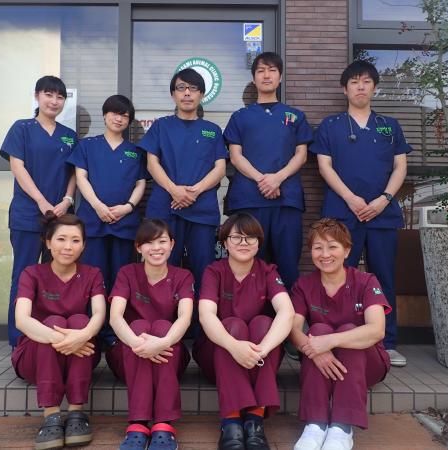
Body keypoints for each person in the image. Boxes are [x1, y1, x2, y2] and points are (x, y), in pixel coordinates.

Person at [309, 60, 412, 367]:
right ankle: (339, 336)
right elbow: (324, 166)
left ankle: (386, 342)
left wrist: (384, 199)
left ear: (375, 87)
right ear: (345, 89)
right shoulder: (330, 126)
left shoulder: (389, 125)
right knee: (336, 277)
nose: (360, 87)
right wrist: (350, 198)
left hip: (382, 214)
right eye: (354, 82)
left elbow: (400, 166)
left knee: (383, 277)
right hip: (342, 214)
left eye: (366, 82)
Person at [194, 213, 295, 450]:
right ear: (225, 242)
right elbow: (206, 315)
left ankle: (254, 421)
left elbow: (287, 312)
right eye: (236, 237)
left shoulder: (268, 271)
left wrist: (262, 350)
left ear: (259, 243)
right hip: (219, 357)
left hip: (258, 358)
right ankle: (231, 422)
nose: (243, 243)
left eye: (250, 237)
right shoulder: (214, 271)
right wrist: (234, 346)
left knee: (263, 323)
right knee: (233, 325)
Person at [290, 218, 391, 450]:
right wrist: (316, 351)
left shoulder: (366, 281)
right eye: (318, 247)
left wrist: (328, 342)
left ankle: (342, 427)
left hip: (366, 365)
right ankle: (315, 424)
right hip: (321, 364)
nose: (325, 254)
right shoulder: (304, 285)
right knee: (316, 330)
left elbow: (377, 329)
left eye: (332, 247)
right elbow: (293, 330)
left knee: (348, 332)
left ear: (346, 250)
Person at [11, 213, 106, 450]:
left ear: (83, 245)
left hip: (80, 351)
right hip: (36, 357)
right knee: (52, 321)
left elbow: (99, 314)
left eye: (75, 240)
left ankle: (76, 414)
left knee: (80, 320)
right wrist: (62, 339)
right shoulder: (31, 273)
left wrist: (81, 336)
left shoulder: (92, 274)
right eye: (61, 239)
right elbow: (21, 320)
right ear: (48, 242)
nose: (68, 246)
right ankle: (51, 415)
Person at [223, 52, 313, 289]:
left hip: (286, 200)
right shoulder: (240, 117)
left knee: (288, 265)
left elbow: (301, 155)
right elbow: (235, 156)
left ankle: (289, 312)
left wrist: (278, 178)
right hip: (249, 200)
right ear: (254, 78)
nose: (266, 75)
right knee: (249, 265)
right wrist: (262, 180)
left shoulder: (295, 116)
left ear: (280, 77)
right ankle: (252, 312)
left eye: (272, 70)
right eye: (261, 71)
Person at [0, 75, 78, 347]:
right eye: (49, 95)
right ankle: (19, 337)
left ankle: (48, 331)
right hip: (28, 214)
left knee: (55, 275)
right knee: (24, 273)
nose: (54, 101)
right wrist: (41, 201)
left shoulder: (69, 136)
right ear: (37, 96)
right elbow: (17, 167)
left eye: (60, 97)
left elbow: (74, 173)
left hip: (60, 218)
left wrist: (67, 200)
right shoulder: (21, 128)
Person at [106, 219, 194, 450]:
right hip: (130, 354)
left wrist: (162, 343)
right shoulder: (127, 273)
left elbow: (185, 317)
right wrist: (139, 344)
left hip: (169, 355)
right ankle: (138, 423)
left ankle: (163, 425)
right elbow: (115, 317)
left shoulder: (183, 276)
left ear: (172, 244)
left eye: (162, 241)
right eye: (149, 242)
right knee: (138, 325)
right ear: (138, 247)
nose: (156, 248)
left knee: (164, 326)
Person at [138, 68, 227, 292]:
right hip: (166, 208)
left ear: (201, 94)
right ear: (173, 94)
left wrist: (195, 191)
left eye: (193, 88)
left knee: (203, 269)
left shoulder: (212, 131)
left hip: (202, 210)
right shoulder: (161, 126)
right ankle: (162, 314)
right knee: (162, 268)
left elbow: (220, 168)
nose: (187, 93)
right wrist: (174, 190)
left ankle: (201, 315)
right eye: (181, 88)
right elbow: (152, 164)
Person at [67, 94, 146, 291]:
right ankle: (94, 313)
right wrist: (98, 206)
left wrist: (128, 208)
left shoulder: (135, 152)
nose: (119, 119)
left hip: (124, 223)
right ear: (104, 115)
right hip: (93, 221)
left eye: (125, 116)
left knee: (122, 278)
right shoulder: (87, 145)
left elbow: (140, 184)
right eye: (115, 113)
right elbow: (81, 178)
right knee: (93, 278)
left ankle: (117, 313)